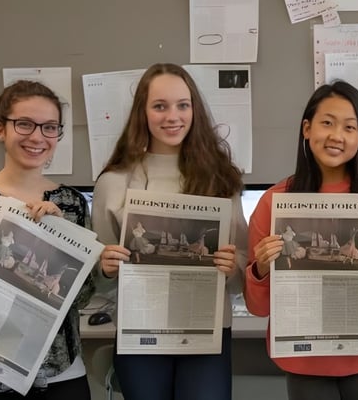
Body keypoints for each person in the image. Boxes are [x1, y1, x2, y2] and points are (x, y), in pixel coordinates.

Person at [244, 81, 358, 400]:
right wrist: (262, 270)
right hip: (303, 355)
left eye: (350, 127)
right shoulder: (275, 201)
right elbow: (258, 307)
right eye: (327, 123)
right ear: (307, 129)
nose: (337, 136)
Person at [92, 63, 247, 400]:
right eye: (160, 106)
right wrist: (105, 266)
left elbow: (243, 271)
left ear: (195, 110)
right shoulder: (113, 182)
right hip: (140, 334)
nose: (172, 116)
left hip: (207, 332)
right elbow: (99, 279)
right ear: (142, 113)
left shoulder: (220, 179)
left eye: (183, 105)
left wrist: (231, 266)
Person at [0, 80, 95, 399]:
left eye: (50, 127)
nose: (38, 136)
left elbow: (82, 297)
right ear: (0, 129)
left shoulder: (71, 204)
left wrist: (60, 237)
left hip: (60, 376)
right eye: (24, 124)